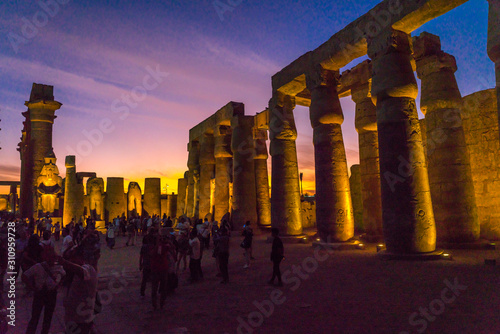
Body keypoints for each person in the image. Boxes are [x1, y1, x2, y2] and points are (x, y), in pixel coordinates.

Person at [22, 247, 65, 334]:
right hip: (40, 293)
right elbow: (25, 276)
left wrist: (58, 285)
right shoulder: (38, 267)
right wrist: (32, 287)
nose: (52, 259)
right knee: (35, 317)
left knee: (47, 317)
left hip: (51, 293)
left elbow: (64, 275)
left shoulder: (58, 267)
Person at [59, 246, 98, 334]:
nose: (71, 260)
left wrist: (64, 262)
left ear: (80, 257)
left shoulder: (88, 269)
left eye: (73, 258)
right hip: (72, 318)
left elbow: (81, 272)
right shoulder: (72, 275)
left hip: (81, 319)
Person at [150, 230, 170, 310]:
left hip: (163, 269)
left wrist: (167, 241)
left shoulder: (163, 246)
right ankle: (155, 304)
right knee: (154, 288)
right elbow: (152, 253)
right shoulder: (152, 247)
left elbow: (171, 248)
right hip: (156, 269)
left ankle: (162, 303)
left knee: (163, 288)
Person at [139, 230, 154, 297]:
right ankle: (153, 292)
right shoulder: (153, 246)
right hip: (152, 264)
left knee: (144, 279)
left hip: (145, 264)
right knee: (153, 279)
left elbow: (141, 256)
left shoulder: (144, 247)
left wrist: (140, 264)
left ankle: (142, 291)